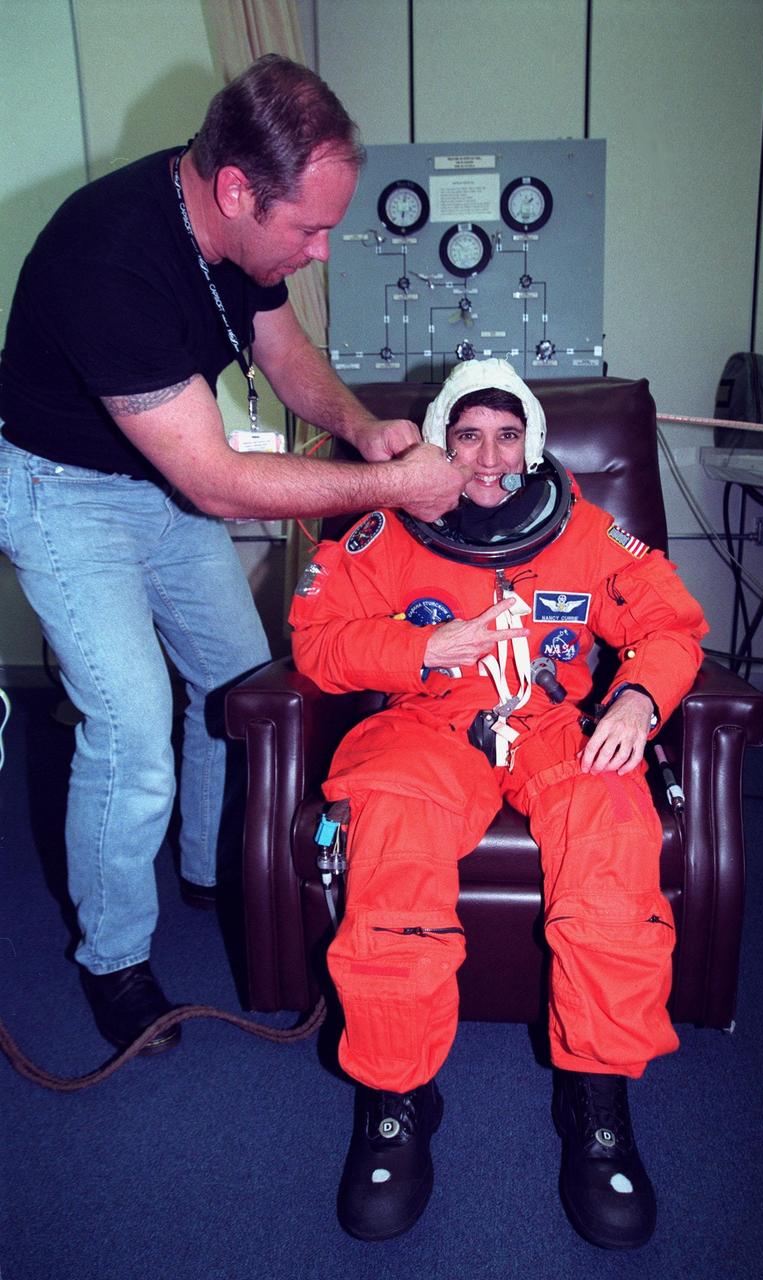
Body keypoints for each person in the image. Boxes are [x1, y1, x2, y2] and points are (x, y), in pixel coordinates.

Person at [0, 55, 467, 1056]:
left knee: (235, 685)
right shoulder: (110, 258)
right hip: (59, 493)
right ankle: (113, 957)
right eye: (308, 228)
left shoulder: (238, 243)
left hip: (157, 482)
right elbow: (216, 481)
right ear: (234, 191)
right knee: (133, 730)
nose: (323, 250)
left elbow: (287, 355)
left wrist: (359, 426)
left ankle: (215, 867)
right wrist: (390, 484)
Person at [290, 358, 708, 1249]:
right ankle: (397, 1097)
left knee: (611, 839)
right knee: (393, 842)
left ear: (533, 446)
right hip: (427, 726)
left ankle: (596, 1103)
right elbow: (319, 645)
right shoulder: (386, 532)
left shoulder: (589, 533)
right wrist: (425, 648)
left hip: (558, 724)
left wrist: (638, 699)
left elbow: (670, 624)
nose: (487, 459)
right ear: (443, 442)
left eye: (507, 436)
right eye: (469, 436)